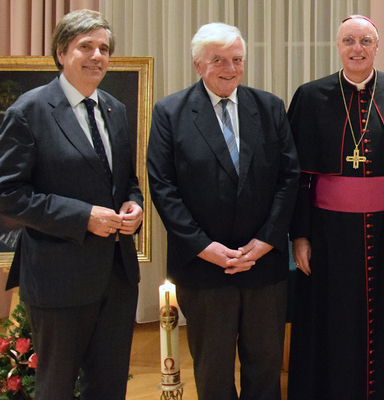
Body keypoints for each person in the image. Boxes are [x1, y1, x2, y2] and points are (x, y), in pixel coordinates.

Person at [0, 10, 142, 399]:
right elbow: (6, 193)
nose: (97, 56)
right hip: (59, 279)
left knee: (108, 386)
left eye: (104, 48)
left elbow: (127, 181)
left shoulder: (115, 109)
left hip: (117, 276)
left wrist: (134, 205)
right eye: (85, 47)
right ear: (61, 52)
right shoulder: (29, 111)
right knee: (55, 388)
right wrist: (84, 217)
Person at [147, 23, 299, 400]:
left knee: (264, 367)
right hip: (203, 267)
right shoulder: (170, 112)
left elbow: (289, 177)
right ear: (199, 64)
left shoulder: (269, 107)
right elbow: (162, 188)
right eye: (218, 60)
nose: (229, 68)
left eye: (236, 59)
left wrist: (265, 241)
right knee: (213, 371)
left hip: (263, 264)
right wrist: (203, 247)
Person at [287, 15, 384, 400]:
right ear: (338, 47)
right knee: (329, 318)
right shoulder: (310, 96)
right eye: (349, 41)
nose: (357, 49)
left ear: (377, 47)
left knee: (383, 316)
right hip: (326, 232)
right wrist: (299, 235)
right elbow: (296, 175)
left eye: (365, 41)